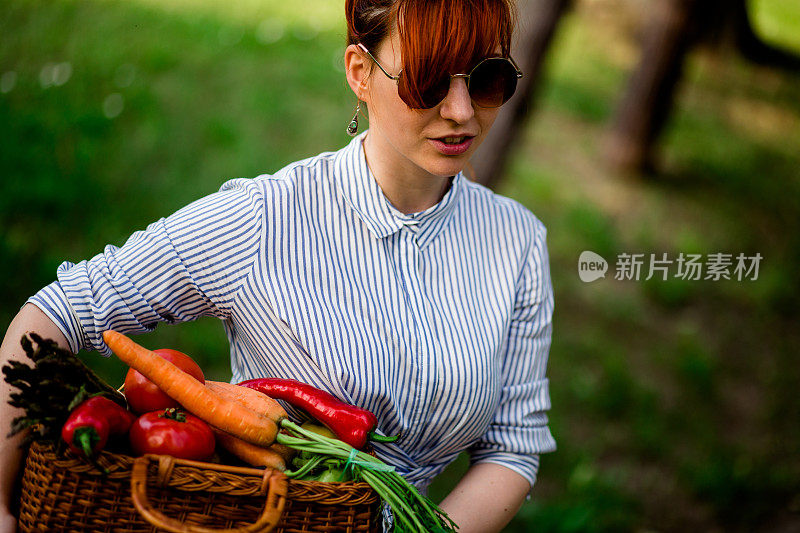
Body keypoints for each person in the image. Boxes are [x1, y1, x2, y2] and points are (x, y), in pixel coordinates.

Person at [0, 0, 556, 530]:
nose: (461, 112)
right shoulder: (263, 220)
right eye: (430, 80)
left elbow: (512, 445)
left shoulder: (517, 241)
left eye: (486, 80)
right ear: (360, 72)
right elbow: (53, 314)